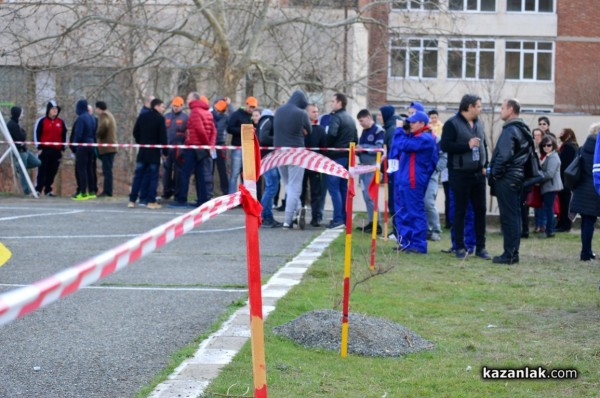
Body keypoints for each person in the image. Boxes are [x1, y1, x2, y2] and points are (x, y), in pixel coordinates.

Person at [439, 94, 490, 260]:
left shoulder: (479, 123)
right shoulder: (452, 124)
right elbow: (445, 145)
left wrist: (485, 165)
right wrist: (466, 146)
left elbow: (484, 145)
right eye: (479, 106)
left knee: (480, 211)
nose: (480, 109)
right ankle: (459, 246)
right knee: (460, 211)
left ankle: (481, 248)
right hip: (459, 174)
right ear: (469, 107)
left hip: (478, 174)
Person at [488, 99, 532, 264]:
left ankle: (509, 254)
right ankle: (513, 253)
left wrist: (496, 174)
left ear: (511, 109)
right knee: (514, 216)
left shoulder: (510, 130)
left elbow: (504, 156)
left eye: (502, 107)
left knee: (509, 217)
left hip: (508, 177)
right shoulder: (522, 129)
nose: (500, 110)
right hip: (516, 177)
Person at [389, 110, 437, 253]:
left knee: (415, 212)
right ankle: (405, 242)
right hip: (404, 180)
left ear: (422, 123)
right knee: (402, 212)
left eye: (413, 122)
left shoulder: (426, 138)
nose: (410, 124)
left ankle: (418, 244)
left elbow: (403, 145)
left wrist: (399, 130)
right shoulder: (414, 136)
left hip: (414, 181)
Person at [273, 90, 312, 229]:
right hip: (296, 152)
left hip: (278, 152)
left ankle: (298, 212)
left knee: (288, 185)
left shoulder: (278, 110)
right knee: (295, 187)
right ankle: (287, 220)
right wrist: (303, 130)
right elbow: (310, 130)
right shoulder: (301, 113)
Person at [170, 92, 217, 208]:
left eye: (188, 98)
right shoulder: (207, 112)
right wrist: (209, 146)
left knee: (185, 173)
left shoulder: (195, 112)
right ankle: (202, 200)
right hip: (203, 149)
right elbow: (214, 131)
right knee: (200, 175)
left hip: (194, 147)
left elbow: (199, 129)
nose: (186, 101)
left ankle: (182, 200)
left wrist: (206, 144)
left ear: (193, 100)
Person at [326, 93, 358, 229]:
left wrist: (326, 146)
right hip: (347, 157)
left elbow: (332, 134)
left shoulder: (336, 117)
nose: (331, 103)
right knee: (343, 188)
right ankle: (344, 218)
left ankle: (338, 219)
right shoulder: (350, 119)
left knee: (334, 188)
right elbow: (356, 139)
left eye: (333, 101)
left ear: (339, 103)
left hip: (336, 156)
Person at [128, 98, 168, 209]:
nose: (163, 109)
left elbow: (135, 132)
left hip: (142, 151)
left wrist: (141, 141)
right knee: (153, 177)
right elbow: (163, 137)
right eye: (162, 106)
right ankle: (151, 201)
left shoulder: (142, 116)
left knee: (138, 176)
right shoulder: (160, 119)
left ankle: (132, 200)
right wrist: (165, 152)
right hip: (154, 153)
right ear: (156, 106)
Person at [570, 122, 600, 261]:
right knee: (590, 222)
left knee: (587, 223)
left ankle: (585, 252)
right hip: (595, 190)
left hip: (582, 191)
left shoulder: (582, 149)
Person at [355, 109, 384, 234]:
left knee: (371, 196)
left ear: (368, 117)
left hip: (372, 166)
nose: (360, 123)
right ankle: (371, 222)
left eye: (361, 121)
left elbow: (379, 148)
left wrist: (363, 148)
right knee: (366, 196)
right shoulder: (364, 131)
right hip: (363, 166)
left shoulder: (378, 131)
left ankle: (376, 225)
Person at [34, 100, 68, 196]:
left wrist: (62, 149)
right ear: (48, 110)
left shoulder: (61, 122)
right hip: (44, 150)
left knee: (53, 171)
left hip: (56, 151)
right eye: (53, 108)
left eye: (56, 109)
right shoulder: (41, 121)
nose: (55, 110)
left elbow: (64, 136)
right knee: (42, 170)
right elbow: (37, 134)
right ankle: (38, 189)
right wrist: (39, 147)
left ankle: (48, 190)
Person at [301, 104, 327, 227]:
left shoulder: (320, 129)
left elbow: (324, 148)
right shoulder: (300, 129)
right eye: (313, 112)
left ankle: (316, 218)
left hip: (315, 165)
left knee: (316, 192)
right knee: (300, 191)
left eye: (317, 111)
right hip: (301, 164)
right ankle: (299, 216)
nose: (316, 113)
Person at [7, 106, 41, 195]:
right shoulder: (12, 125)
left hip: (25, 150)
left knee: (37, 162)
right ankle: (28, 191)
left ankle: (19, 167)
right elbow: (21, 137)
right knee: (23, 172)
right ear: (17, 113)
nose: (23, 114)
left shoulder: (17, 123)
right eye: (21, 112)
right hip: (19, 151)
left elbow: (22, 135)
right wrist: (23, 133)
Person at [258, 108, 282, 228]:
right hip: (268, 158)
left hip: (269, 158)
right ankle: (263, 215)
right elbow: (263, 138)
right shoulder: (268, 120)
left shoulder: (265, 121)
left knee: (273, 186)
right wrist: (278, 140)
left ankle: (267, 215)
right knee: (272, 186)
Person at [425, 109, 447, 241]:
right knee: (421, 203)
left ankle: (435, 230)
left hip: (431, 176)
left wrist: (436, 169)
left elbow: (444, 156)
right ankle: (426, 229)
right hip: (419, 176)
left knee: (428, 203)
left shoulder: (437, 138)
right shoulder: (418, 138)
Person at [228, 97, 257, 193]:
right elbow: (229, 128)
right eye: (250, 107)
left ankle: (245, 199)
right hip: (238, 147)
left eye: (253, 107)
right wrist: (243, 130)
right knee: (234, 174)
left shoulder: (251, 116)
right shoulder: (236, 114)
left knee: (246, 175)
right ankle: (231, 198)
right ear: (246, 104)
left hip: (248, 147)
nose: (251, 109)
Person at [162, 96, 188, 200]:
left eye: (178, 106)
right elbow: (162, 133)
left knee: (178, 172)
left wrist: (184, 148)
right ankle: (167, 191)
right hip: (167, 149)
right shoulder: (166, 116)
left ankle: (177, 193)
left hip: (179, 150)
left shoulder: (186, 117)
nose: (175, 108)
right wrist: (162, 150)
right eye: (174, 106)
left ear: (182, 106)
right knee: (166, 172)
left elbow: (187, 135)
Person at [521, 127, 546, 237]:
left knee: (539, 205)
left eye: (538, 135)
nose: (536, 137)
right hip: (531, 182)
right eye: (534, 135)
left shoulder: (544, 148)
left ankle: (541, 226)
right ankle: (532, 227)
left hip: (536, 181)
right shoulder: (530, 148)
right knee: (527, 205)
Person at [380, 105, 400, 238]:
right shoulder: (390, 128)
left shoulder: (392, 130)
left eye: (380, 115)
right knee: (393, 202)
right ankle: (396, 230)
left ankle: (397, 231)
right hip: (392, 170)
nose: (379, 118)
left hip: (394, 171)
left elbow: (393, 153)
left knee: (394, 202)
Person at [71, 99, 97, 200]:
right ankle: (91, 191)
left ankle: (82, 192)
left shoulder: (81, 119)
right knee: (90, 168)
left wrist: (75, 146)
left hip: (82, 146)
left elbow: (78, 134)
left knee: (81, 169)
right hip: (91, 145)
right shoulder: (92, 118)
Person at [539, 135, 562, 238]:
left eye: (549, 145)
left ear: (553, 145)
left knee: (549, 209)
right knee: (548, 208)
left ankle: (550, 231)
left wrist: (537, 179)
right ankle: (549, 230)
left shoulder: (553, 157)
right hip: (548, 186)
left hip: (550, 186)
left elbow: (549, 174)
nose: (546, 147)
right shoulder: (548, 156)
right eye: (544, 145)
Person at [556, 128, 579, 232]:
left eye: (562, 133)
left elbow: (564, 164)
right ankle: (561, 224)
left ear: (568, 135)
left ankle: (565, 225)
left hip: (564, 180)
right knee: (562, 203)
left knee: (565, 204)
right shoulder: (571, 146)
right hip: (565, 180)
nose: (560, 134)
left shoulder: (568, 147)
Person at [95, 101, 118, 197]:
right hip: (111, 147)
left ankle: (107, 191)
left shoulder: (104, 115)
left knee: (107, 170)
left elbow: (104, 125)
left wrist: (97, 135)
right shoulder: (109, 114)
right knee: (108, 170)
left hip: (107, 147)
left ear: (99, 108)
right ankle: (108, 190)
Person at [212, 98, 232, 195]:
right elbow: (234, 117)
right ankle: (225, 192)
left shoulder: (210, 114)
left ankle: (209, 192)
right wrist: (229, 105)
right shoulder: (225, 117)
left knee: (212, 170)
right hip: (219, 144)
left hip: (215, 145)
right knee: (222, 170)